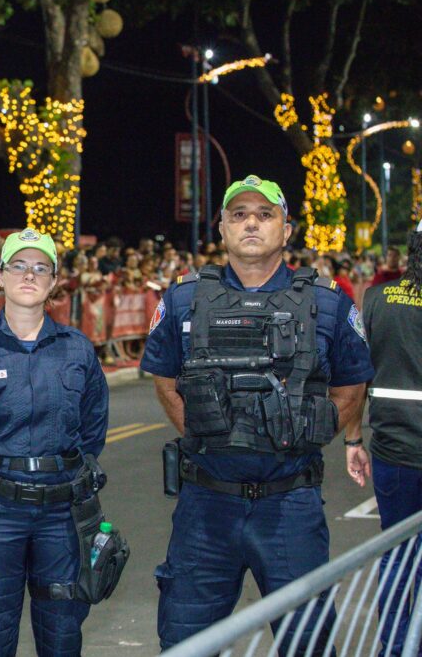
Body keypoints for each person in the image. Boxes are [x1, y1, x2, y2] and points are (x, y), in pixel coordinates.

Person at [141, 175, 373, 652]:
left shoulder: (327, 302)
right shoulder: (182, 299)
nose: (251, 223)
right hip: (207, 505)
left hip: (290, 504)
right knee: (186, 642)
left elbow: (352, 384)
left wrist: (305, 434)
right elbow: (164, 378)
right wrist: (206, 434)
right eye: (239, 215)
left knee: (307, 642)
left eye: (265, 215)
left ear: (286, 230)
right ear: (222, 229)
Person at [0, 229, 109, 656]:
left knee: (62, 639)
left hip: (62, 514)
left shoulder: (77, 350)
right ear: (0, 274)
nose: (29, 275)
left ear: (54, 281)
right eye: (19, 266)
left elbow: (93, 430)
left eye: (41, 268)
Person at [357, 219, 422, 655]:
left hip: (393, 449)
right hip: (396, 447)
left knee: (397, 553)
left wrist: (352, 439)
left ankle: (394, 646)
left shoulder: (377, 298)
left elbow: (356, 374)